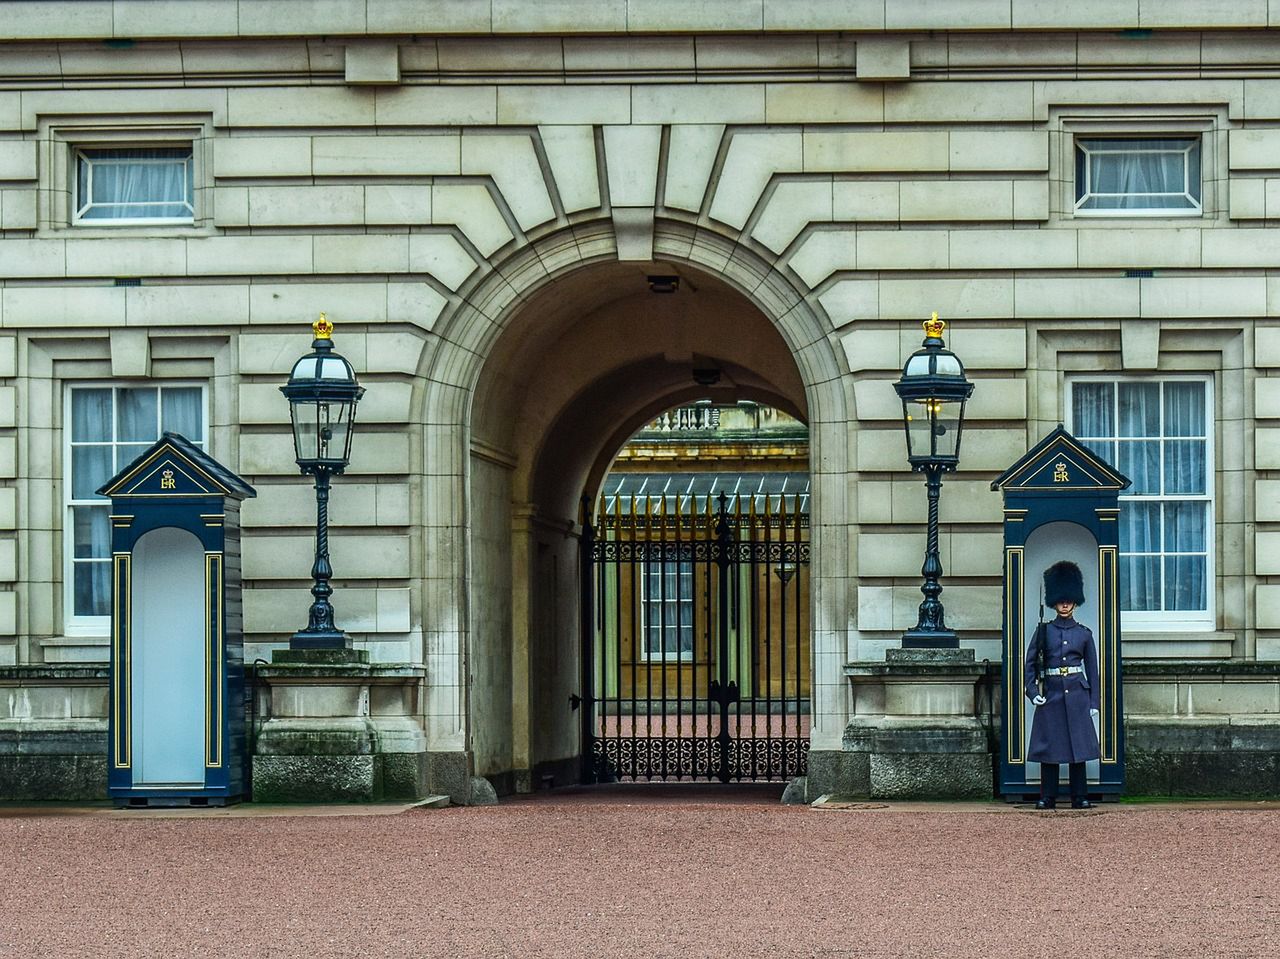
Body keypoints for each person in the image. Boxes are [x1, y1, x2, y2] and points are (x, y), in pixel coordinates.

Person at [1024, 560, 1101, 810]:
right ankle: (1048, 796)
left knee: (1077, 748)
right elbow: (1030, 664)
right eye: (1061, 600)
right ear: (1054, 602)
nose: (1065, 603)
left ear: (1075, 601)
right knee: (1051, 748)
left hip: (1078, 694)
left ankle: (1080, 796)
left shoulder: (1084, 634)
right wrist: (1033, 692)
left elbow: (1093, 671)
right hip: (1052, 692)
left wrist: (1094, 702)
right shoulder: (1044, 631)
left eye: (1068, 599)